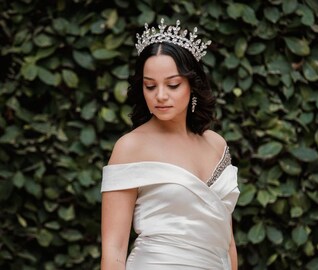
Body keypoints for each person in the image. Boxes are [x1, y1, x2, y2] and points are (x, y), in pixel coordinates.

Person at [101, 18, 240, 270]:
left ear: (193, 84)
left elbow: (227, 239)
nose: (160, 96)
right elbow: (114, 249)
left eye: (173, 84)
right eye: (150, 86)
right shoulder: (130, 148)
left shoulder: (216, 145)